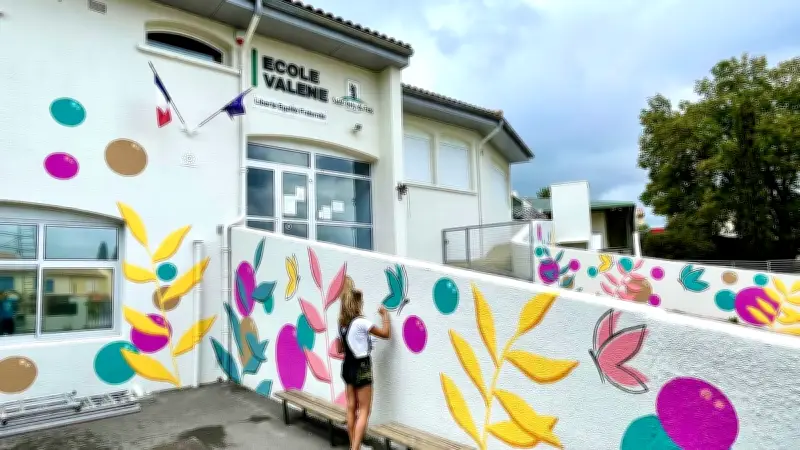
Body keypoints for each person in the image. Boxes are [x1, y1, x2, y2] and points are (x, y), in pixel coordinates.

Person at [337, 276, 391, 450]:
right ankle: (355, 448)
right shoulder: (361, 322)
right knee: (365, 410)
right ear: (356, 304)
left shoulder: (341, 324)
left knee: (351, 408)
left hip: (347, 365)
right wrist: (385, 316)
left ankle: (355, 446)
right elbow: (386, 334)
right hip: (362, 366)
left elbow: (339, 348)